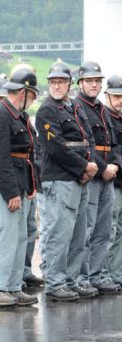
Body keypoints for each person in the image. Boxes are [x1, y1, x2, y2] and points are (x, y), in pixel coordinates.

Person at [36, 59, 100, 302]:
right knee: (59, 233)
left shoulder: (74, 107)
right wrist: (84, 167)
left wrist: (89, 164)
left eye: (61, 82)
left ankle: (71, 280)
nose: (56, 86)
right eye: (52, 82)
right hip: (59, 178)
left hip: (79, 179)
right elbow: (55, 146)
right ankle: (55, 282)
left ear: (69, 84)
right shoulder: (46, 110)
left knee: (77, 234)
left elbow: (88, 139)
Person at [0, 64, 39, 307]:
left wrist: (29, 186)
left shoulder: (18, 116)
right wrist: (11, 192)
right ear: (23, 93)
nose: (34, 100)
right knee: (4, 235)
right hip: (3, 185)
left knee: (19, 236)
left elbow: (27, 155)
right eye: (33, 95)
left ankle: (13, 286)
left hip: (18, 182)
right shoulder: (0, 115)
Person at [72, 61, 121, 294]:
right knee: (86, 229)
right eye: (89, 80)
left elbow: (113, 143)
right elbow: (84, 144)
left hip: (108, 174)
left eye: (97, 81)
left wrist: (115, 165)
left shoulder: (101, 109)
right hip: (92, 174)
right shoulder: (76, 107)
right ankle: (82, 277)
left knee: (104, 230)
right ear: (80, 83)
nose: (94, 84)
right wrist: (103, 168)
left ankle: (97, 274)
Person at [102, 75, 122, 288]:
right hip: (112, 180)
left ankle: (116, 272)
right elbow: (112, 149)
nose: (120, 100)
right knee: (110, 229)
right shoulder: (105, 117)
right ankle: (105, 273)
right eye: (116, 96)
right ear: (107, 96)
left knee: (119, 230)